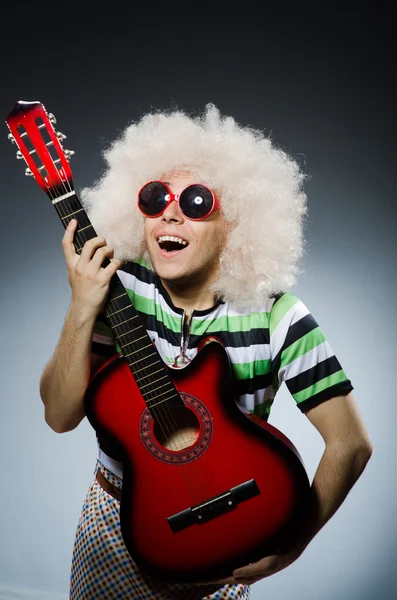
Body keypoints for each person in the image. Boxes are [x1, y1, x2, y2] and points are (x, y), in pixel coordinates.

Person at [39, 104, 372, 600]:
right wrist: (82, 305)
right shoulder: (116, 292)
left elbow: (350, 444)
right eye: (155, 198)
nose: (170, 211)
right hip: (114, 525)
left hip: (231, 532)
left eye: (196, 201)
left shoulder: (278, 317)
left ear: (234, 226)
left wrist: (294, 544)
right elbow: (59, 416)